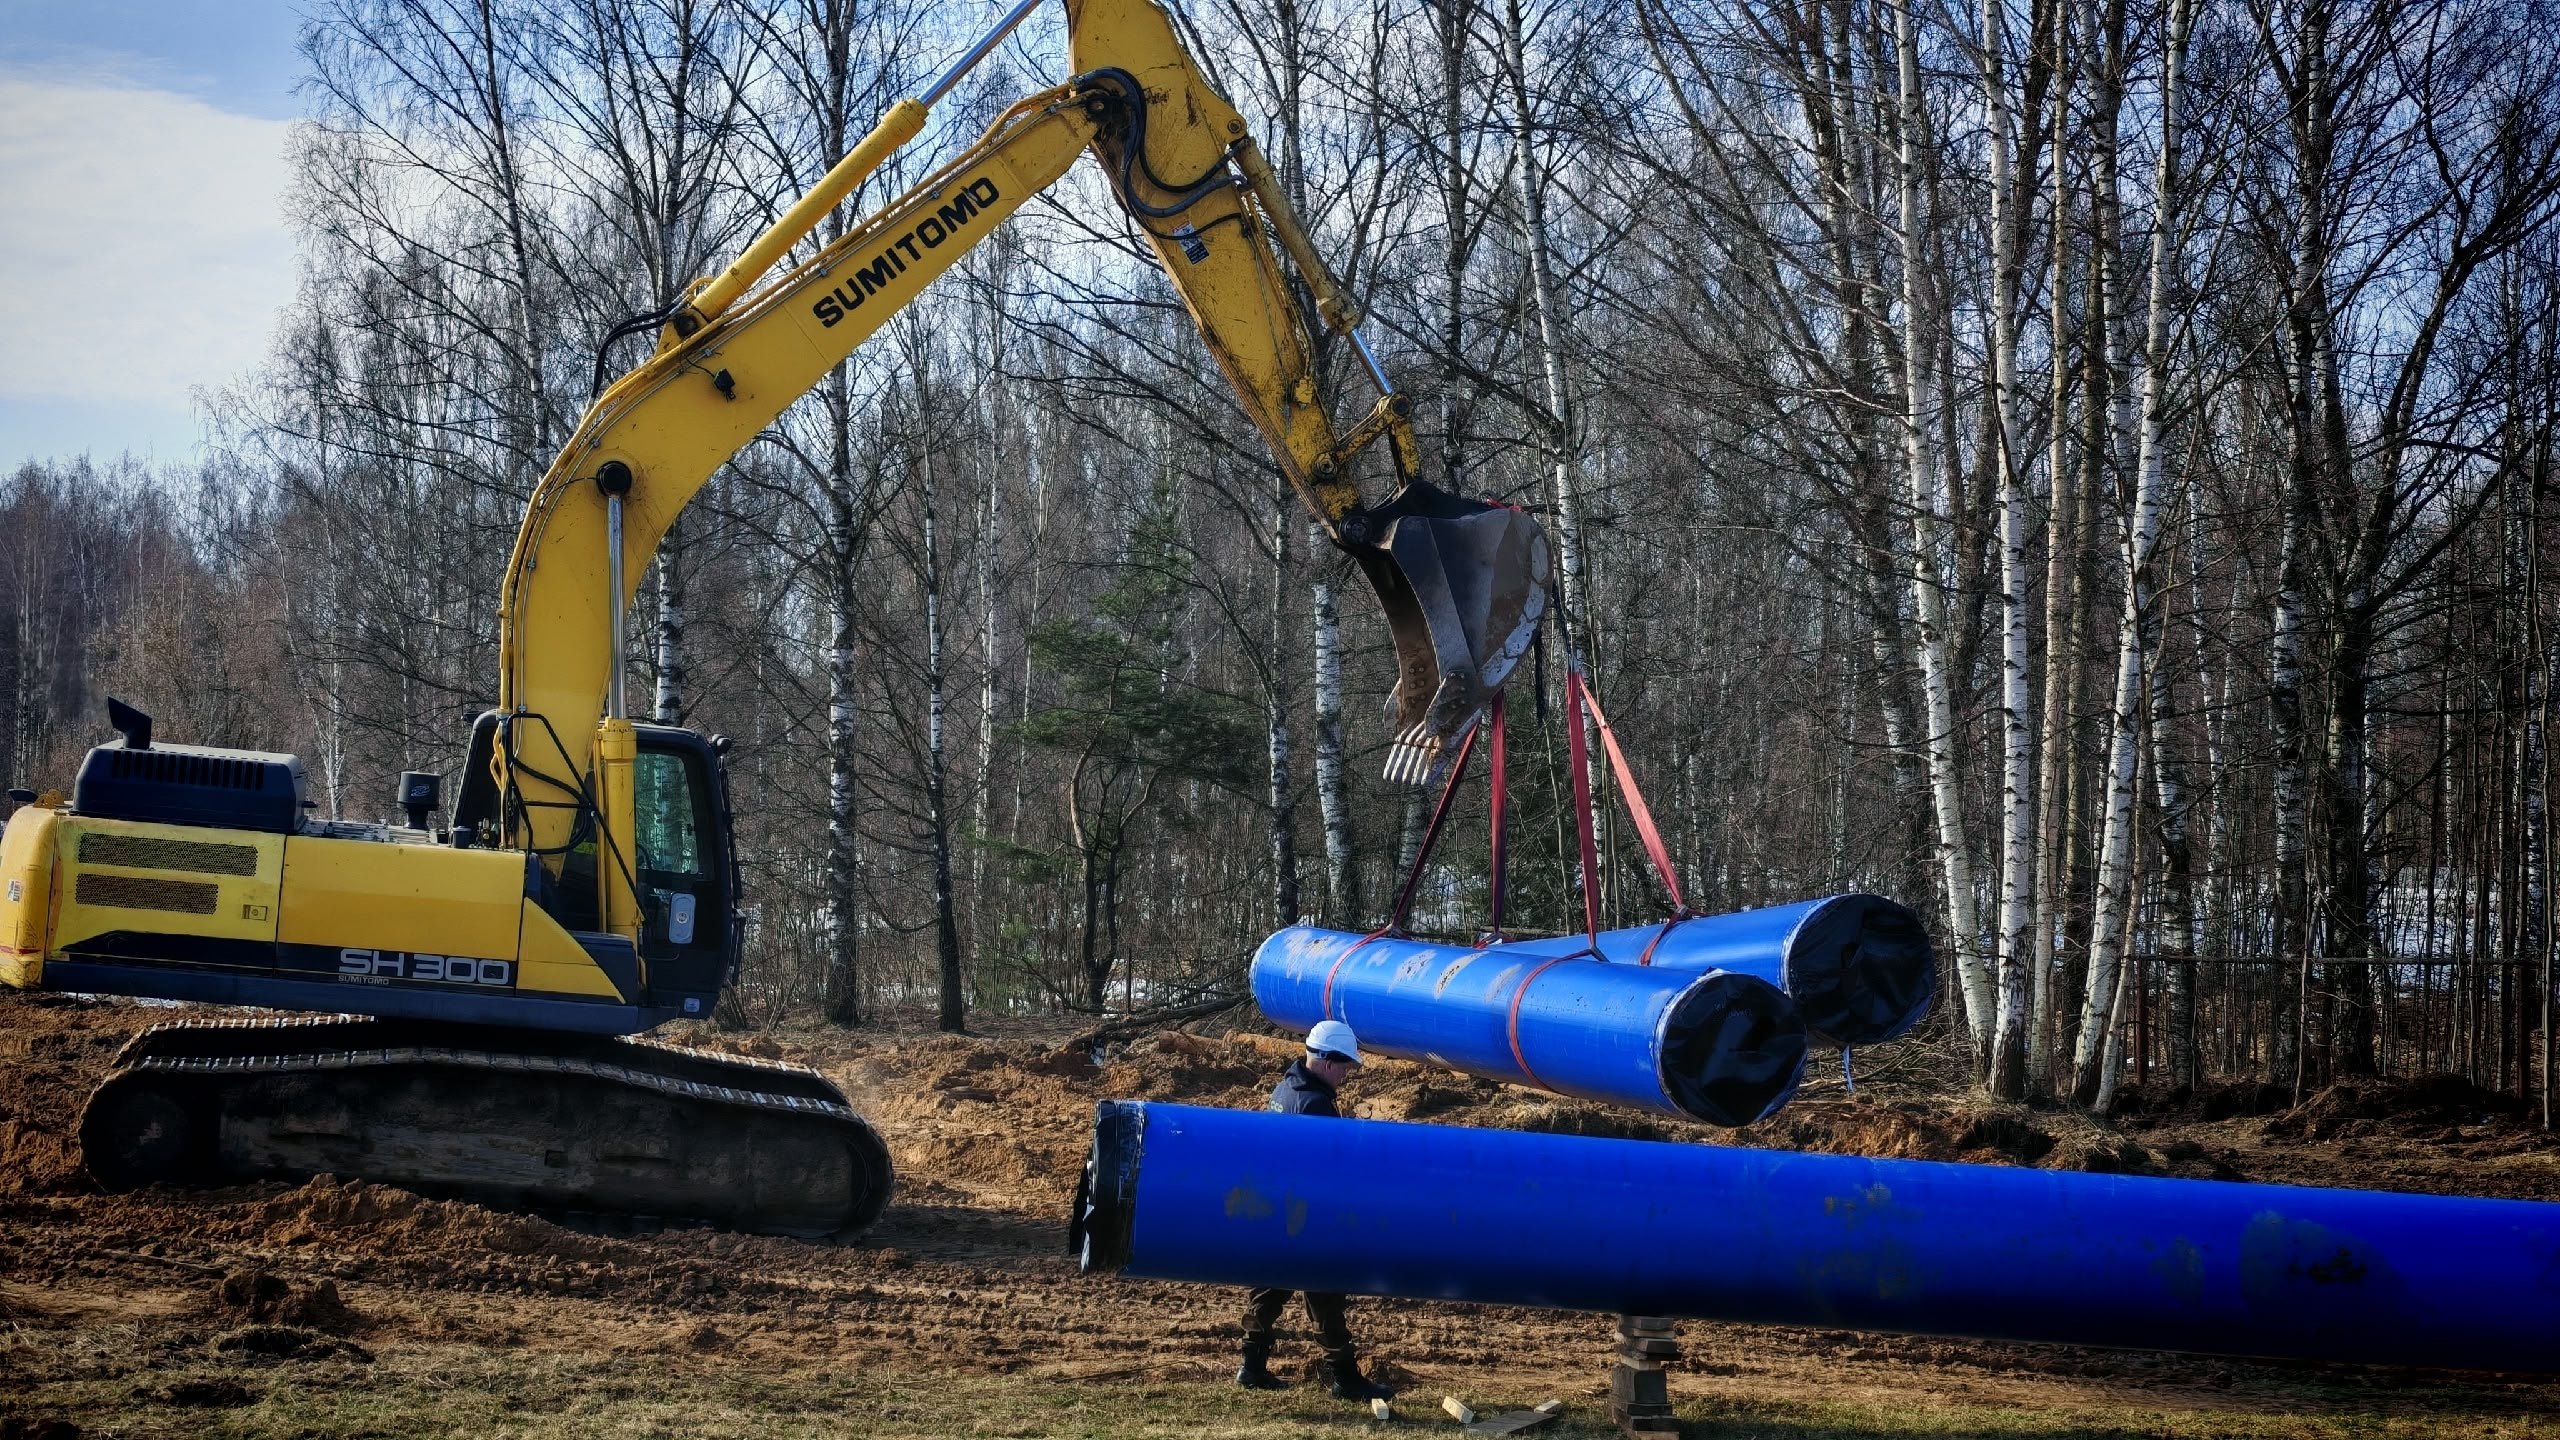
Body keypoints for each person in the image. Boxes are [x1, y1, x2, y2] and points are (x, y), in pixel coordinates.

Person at [1234, 1019, 1396, 1402]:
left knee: (1269, 1290)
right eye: (1344, 1067)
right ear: (1326, 1061)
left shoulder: (1284, 1089)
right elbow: (1332, 1169)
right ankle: (1344, 1376)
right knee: (1325, 1294)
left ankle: (1251, 1366)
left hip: (1278, 1211)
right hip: (1305, 1217)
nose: (1346, 1075)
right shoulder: (1316, 1104)